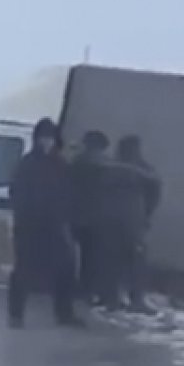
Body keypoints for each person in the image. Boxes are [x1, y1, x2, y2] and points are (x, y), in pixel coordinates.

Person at [7, 118, 83, 329]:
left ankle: (64, 314)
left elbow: (68, 194)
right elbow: (17, 193)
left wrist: (66, 218)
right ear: (37, 139)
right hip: (29, 227)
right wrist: (24, 216)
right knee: (23, 271)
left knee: (65, 270)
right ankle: (16, 315)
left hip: (55, 226)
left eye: (50, 138)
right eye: (43, 138)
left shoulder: (60, 165)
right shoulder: (27, 164)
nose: (46, 143)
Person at [97, 135, 162, 314]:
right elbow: (155, 193)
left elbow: (99, 191)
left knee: (111, 260)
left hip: (112, 220)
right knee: (136, 261)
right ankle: (136, 299)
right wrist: (147, 215)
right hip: (133, 220)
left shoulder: (110, 167)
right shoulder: (144, 170)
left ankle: (111, 298)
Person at [68, 130, 112, 303]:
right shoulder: (107, 165)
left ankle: (77, 287)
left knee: (75, 255)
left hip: (78, 216)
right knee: (92, 256)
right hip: (98, 218)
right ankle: (90, 289)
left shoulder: (78, 162)